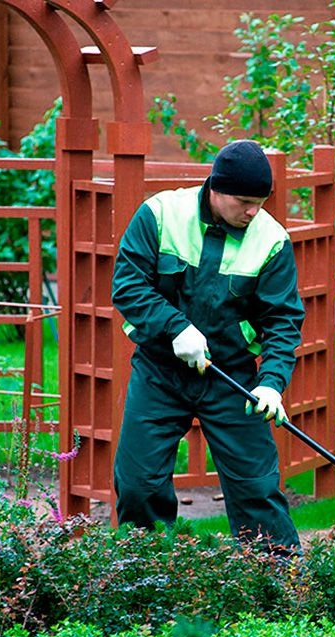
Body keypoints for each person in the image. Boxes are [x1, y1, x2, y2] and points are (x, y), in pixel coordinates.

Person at [112, 140, 305, 553]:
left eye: (260, 202)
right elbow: (127, 286)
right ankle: (144, 579)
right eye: (245, 202)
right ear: (216, 189)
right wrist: (176, 327)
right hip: (159, 372)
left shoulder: (271, 240)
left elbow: (283, 322)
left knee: (257, 488)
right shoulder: (161, 215)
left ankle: (280, 587)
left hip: (232, 378)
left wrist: (271, 383)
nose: (253, 212)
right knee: (138, 486)